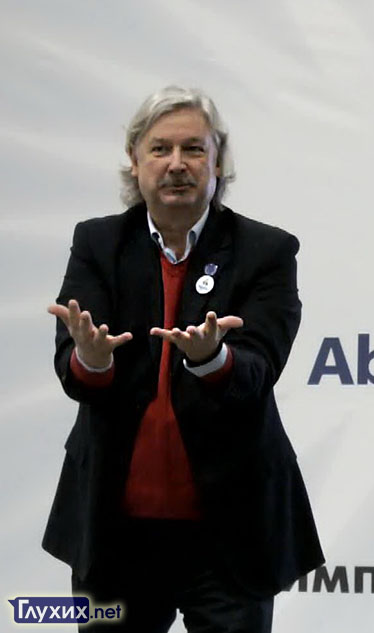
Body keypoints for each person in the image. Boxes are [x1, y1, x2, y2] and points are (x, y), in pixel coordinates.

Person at [45, 85, 323, 632]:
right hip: (117, 533)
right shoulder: (98, 243)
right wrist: (92, 359)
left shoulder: (266, 251)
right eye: (160, 149)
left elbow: (259, 369)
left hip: (229, 534)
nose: (177, 164)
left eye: (194, 149)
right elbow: (75, 370)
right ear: (135, 160)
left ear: (218, 162)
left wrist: (212, 358)